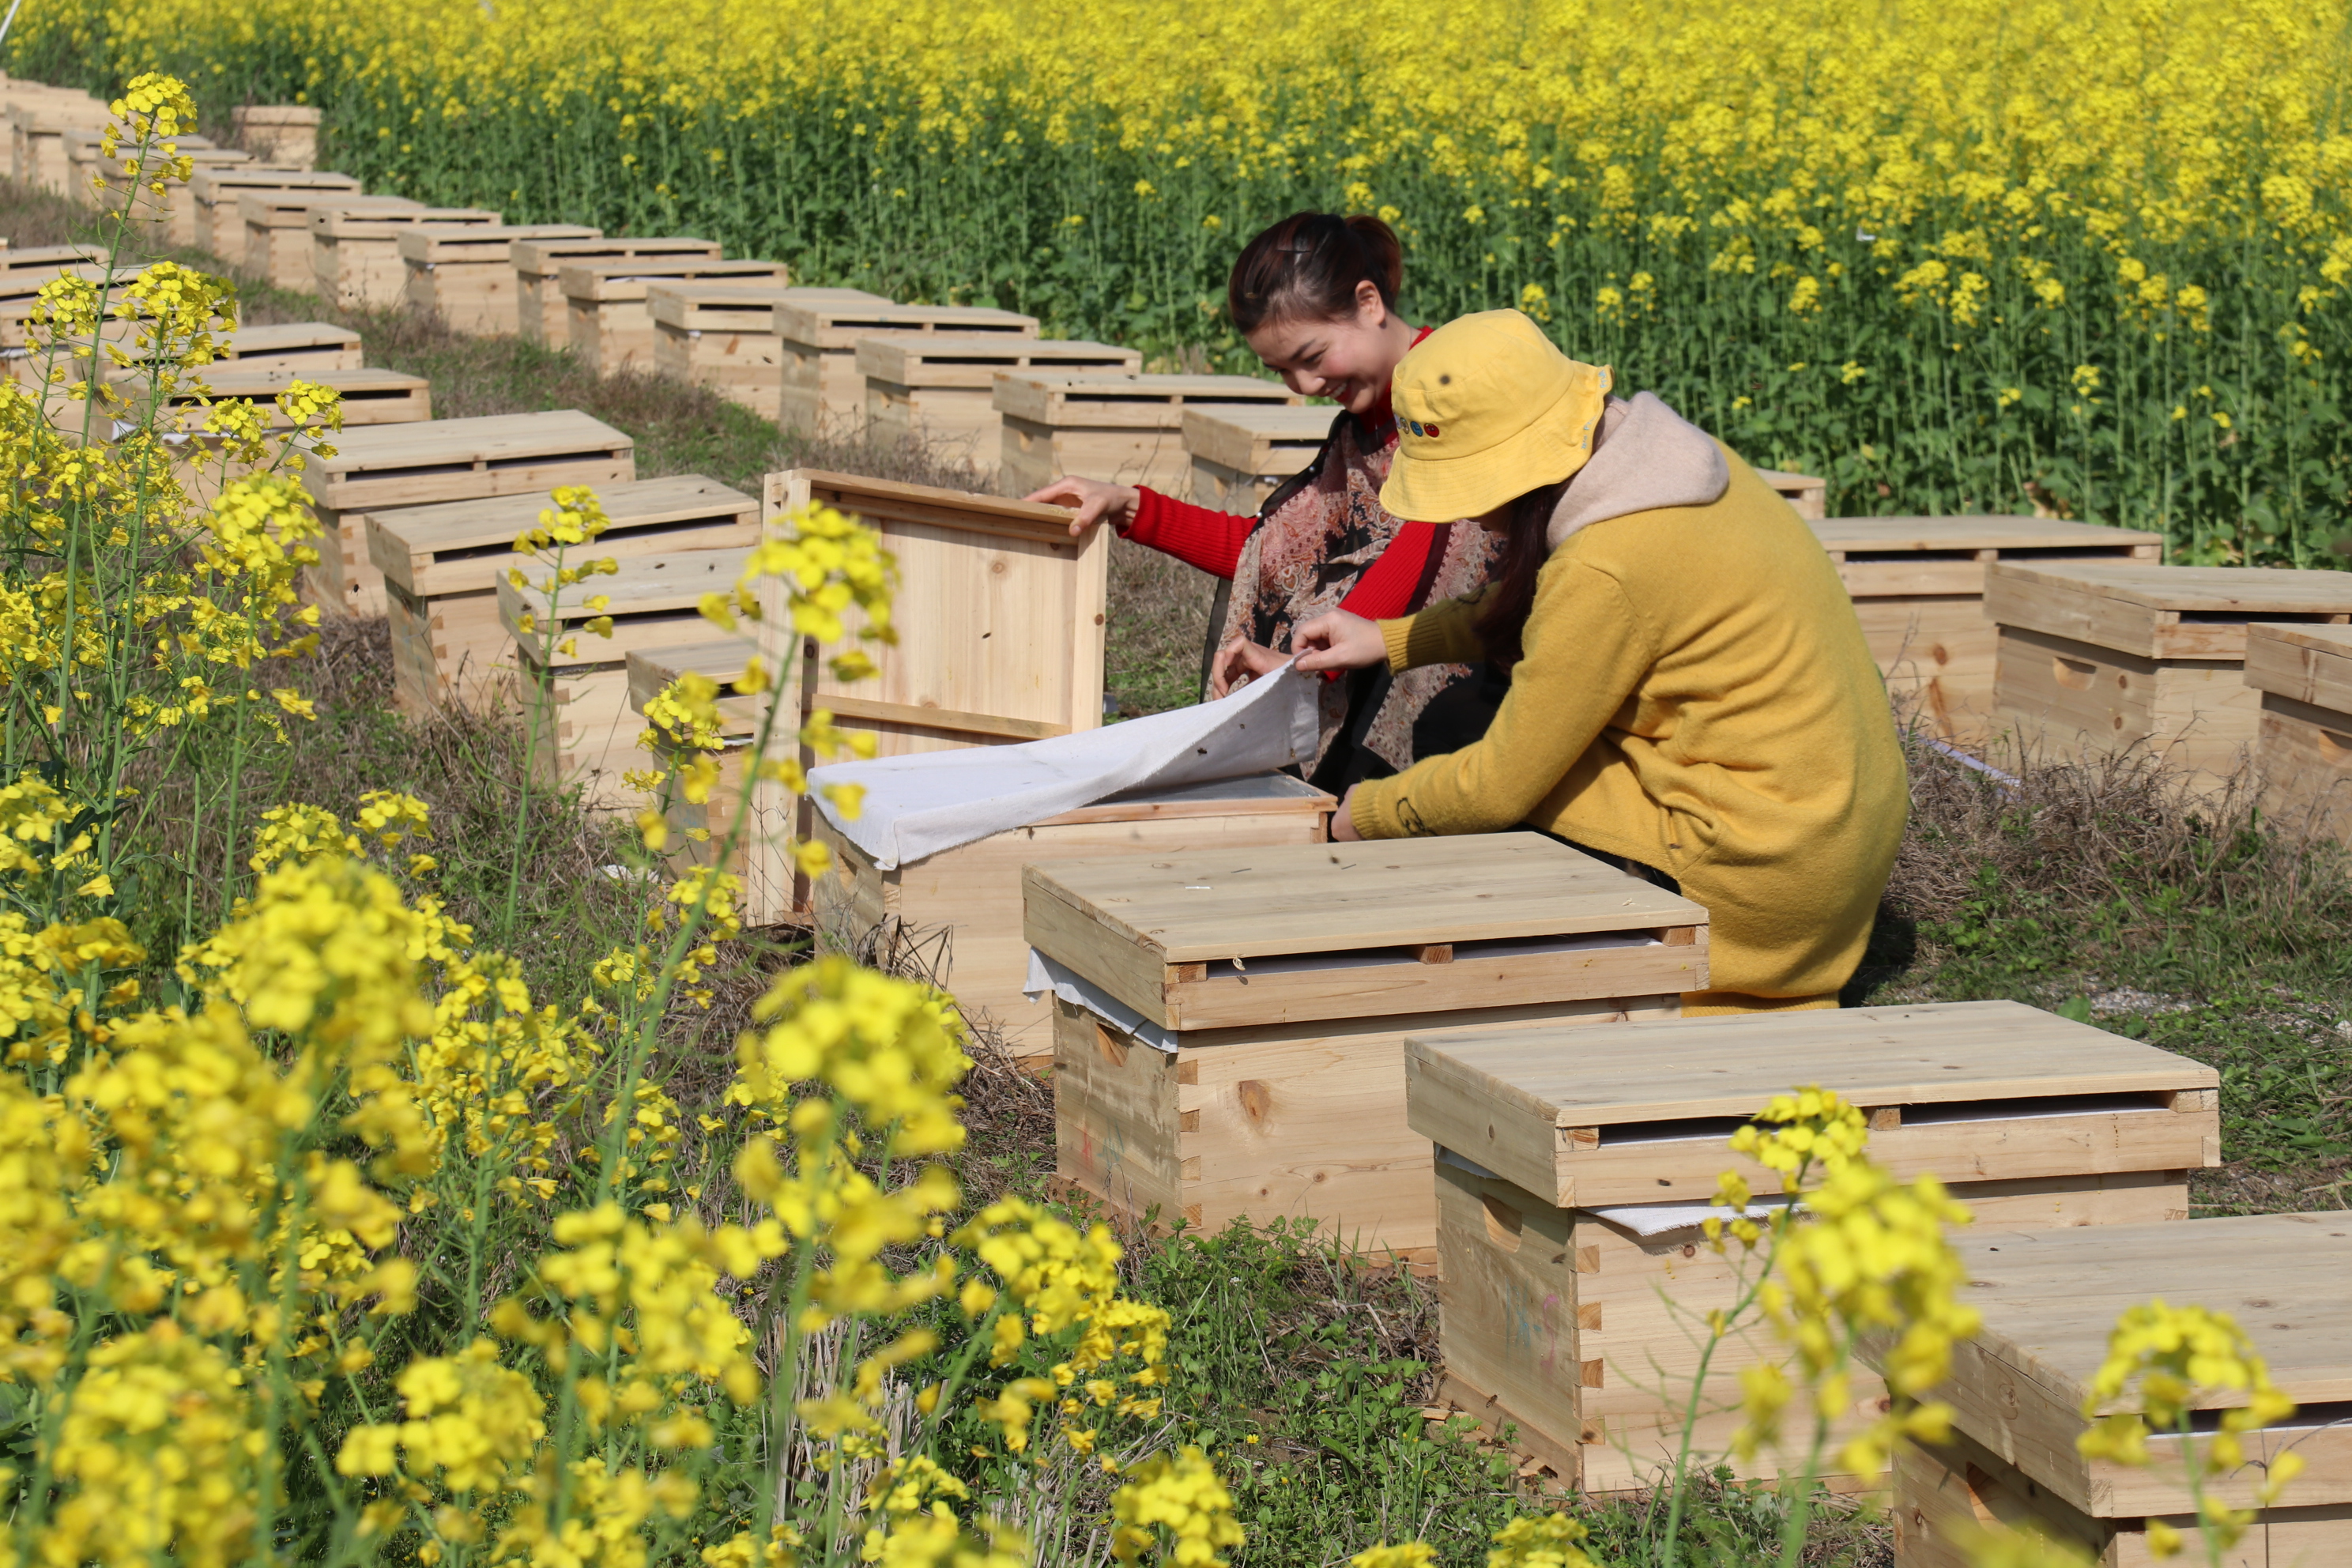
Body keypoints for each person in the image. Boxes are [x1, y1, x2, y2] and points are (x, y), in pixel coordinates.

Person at [1231, 309, 1905, 1014]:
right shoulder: (1669, 465)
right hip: (1830, 829)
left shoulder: (1605, 567)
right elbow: (1545, 611)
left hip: (1763, 885)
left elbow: (1498, 787)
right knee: (1475, 718)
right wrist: (1390, 639)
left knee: (1463, 745)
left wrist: (1358, 817)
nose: (1474, 518)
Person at [1023, 212, 1499, 793]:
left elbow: (1431, 555)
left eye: (1313, 355)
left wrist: (1314, 668)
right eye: (1282, 371)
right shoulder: (1363, 425)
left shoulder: (1453, 388)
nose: (1303, 387)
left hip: (1477, 679)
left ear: (1369, 302)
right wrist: (1129, 507)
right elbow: (1273, 559)